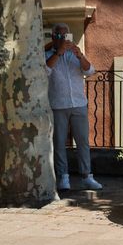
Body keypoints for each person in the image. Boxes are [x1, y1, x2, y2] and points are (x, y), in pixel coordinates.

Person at [45, 23, 102, 191]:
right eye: (60, 36)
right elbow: (45, 71)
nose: (63, 39)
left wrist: (80, 55)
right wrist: (58, 53)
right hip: (58, 105)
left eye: (65, 36)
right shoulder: (47, 55)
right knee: (59, 142)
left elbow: (90, 71)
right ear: (53, 37)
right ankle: (63, 177)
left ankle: (87, 177)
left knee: (83, 142)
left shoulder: (75, 55)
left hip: (79, 104)